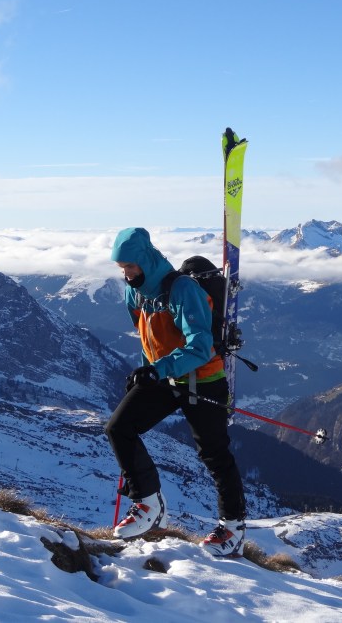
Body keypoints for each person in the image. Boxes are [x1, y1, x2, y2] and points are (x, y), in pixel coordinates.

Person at [106, 227, 247, 557]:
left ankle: (233, 528)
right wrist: (146, 370)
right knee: (119, 428)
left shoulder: (183, 290)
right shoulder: (135, 294)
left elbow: (201, 346)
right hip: (165, 378)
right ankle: (149, 504)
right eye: (122, 268)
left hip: (203, 379)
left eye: (131, 266)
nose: (127, 274)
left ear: (145, 260)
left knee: (214, 453)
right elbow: (148, 339)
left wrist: (156, 370)